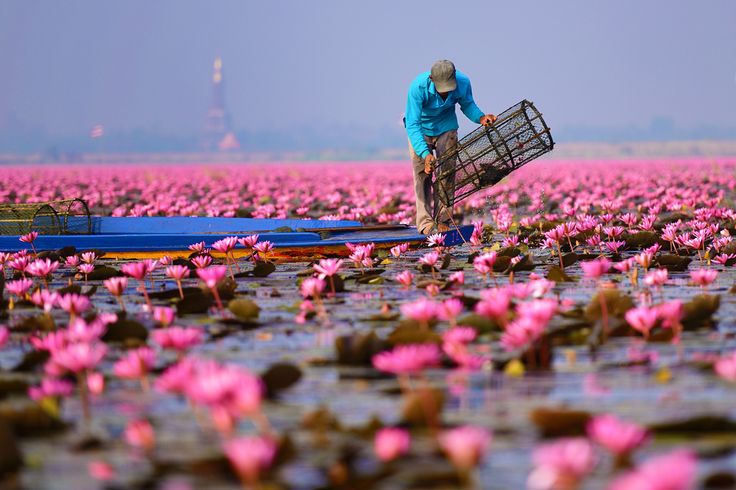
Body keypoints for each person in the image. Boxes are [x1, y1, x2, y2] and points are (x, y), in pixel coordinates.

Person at [405, 60, 496, 235]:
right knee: (422, 174)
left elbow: (468, 104)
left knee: (446, 174)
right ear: (431, 79)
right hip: (421, 129)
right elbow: (413, 124)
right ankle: (425, 224)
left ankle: (444, 220)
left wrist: (481, 118)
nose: (446, 91)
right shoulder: (417, 88)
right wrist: (425, 154)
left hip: (446, 126)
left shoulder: (463, 82)